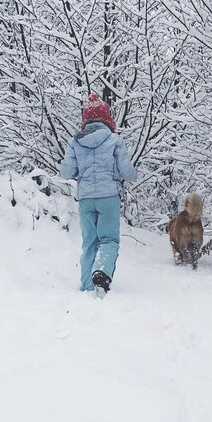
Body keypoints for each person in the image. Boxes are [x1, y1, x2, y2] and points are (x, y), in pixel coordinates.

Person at [60, 93, 137, 294]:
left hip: (86, 199)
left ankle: (87, 285)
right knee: (109, 240)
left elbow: (66, 172)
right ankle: (101, 272)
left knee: (89, 243)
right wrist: (132, 174)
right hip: (108, 197)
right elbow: (127, 171)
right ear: (106, 117)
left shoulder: (75, 142)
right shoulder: (114, 140)